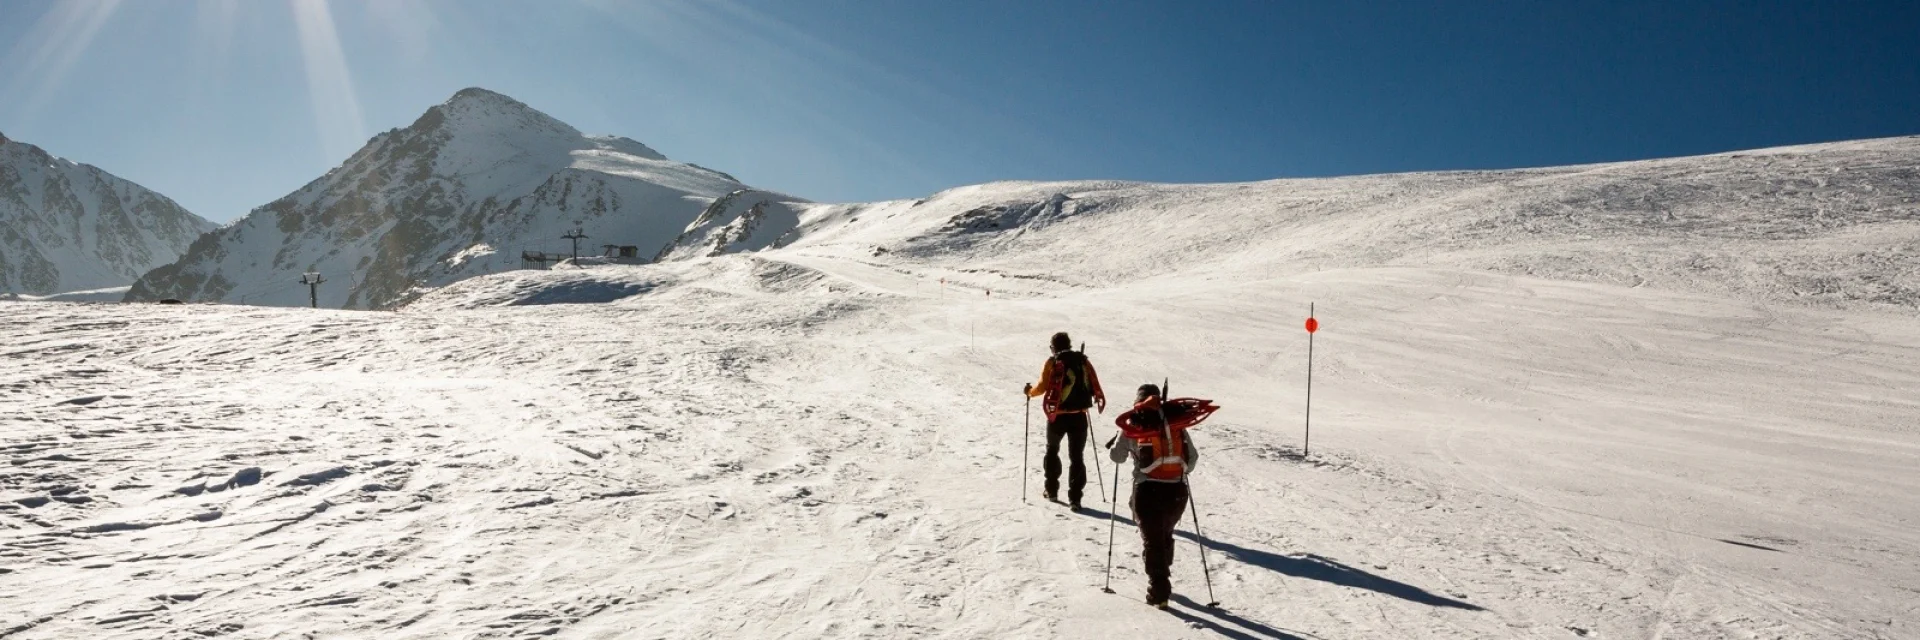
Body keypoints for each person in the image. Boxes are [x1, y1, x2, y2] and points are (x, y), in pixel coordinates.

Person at [1110, 383, 1199, 608]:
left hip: (1147, 490)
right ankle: (1163, 572)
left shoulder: (1135, 422)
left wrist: (1118, 445)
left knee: (1152, 540)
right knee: (1164, 533)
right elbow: (1192, 459)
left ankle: (1159, 591)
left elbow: (1118, 458)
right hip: (1176, 491)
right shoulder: (1176, 424)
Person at [1023, 331, 1106, 509]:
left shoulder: (1052, 362)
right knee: (1077, 457)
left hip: (1057, 416)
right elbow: (1092, 384)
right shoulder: (1083, 361)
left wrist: (1029, 392)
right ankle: (1075, 498)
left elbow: (1042, 387)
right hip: (1079, 416)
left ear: (1053, 347)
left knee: (1052, 450)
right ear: (1069, 344)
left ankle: (1051, 490)